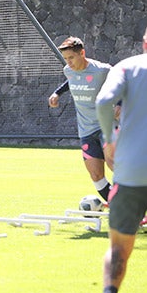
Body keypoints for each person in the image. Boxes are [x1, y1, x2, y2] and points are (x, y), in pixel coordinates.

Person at [94, 28, 147, 293]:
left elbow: (103, 103)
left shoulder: (127, 66)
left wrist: (108, 140)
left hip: (131, 172)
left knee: (118, 249)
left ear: (143, 43)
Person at [48, 37, 114, 203]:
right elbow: (71, 81)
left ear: (82, 53)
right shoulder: (68, 71)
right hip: (86, 131)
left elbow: (123, 82)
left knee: (115, 165)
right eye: (65, 59)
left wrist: (119, 104)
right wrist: (57, 93)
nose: (68, 63)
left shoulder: (102, 70)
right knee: (96, 175)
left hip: (108, 126)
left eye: (71, 58)